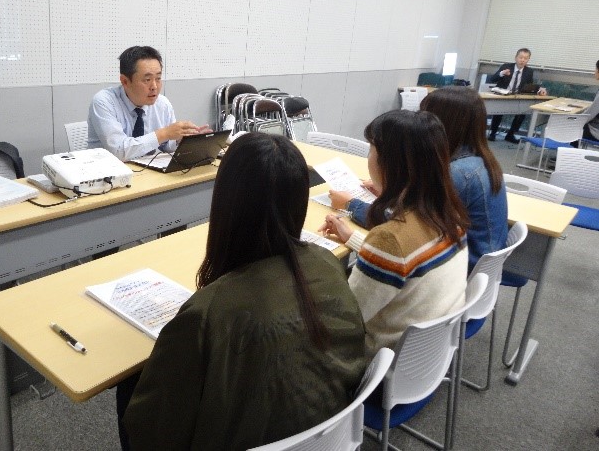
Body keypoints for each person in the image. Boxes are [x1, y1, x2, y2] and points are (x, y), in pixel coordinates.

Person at [122, 133, 366, 451]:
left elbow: (152, 432)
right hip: (329, 438)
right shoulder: (326, 263)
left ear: (226, 203)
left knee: (128, 386)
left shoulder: (206, 314)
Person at [320, 110, 469, 362]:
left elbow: (343, 322)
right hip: (426, 357)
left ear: (390, 164)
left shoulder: (390, 240)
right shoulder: (449, 214)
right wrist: (354, 239)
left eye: (371, 150)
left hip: (378, 361)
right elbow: (405, 264)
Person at [420, 86, 508, 272]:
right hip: (479, 266)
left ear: (442, 123)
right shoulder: (479, 159)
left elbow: (413, 226)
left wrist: (356, 205)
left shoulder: (459, 173)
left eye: (425, 117)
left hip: (461, 269)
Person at [88, 45, 210, 161]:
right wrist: (164, 133)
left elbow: (167, 147)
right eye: (147, 79)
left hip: (147, 171)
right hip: (108, 172)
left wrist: (183, 139)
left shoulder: (162, 104)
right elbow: (119, 151)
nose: (154, 86)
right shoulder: (104, 102)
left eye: (158, 78)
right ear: (125, 81)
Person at [487, 48, 546, 144]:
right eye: (521, 57)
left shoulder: (529, 71)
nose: (522, 60)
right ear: (516, 58)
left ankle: (510, 134)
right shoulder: (506, 67)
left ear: (528, 60)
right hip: (503, 96)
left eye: (525, 58)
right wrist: (502, 73)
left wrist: (539, 90)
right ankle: (493, 133)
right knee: (498, 111)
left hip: (517, 97)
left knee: (522, 112)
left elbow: (529, 86)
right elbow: (492, 79)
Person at [579, 59, 599, 142]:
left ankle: (572, 150)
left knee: (574, 128)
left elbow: (589, 114)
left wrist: (576, 120)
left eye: (595, 69)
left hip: (596, 132)